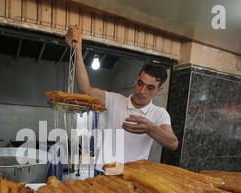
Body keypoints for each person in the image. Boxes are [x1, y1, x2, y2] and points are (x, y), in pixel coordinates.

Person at [65, 26, 179, 174]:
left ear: (159, 90)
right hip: (104, 172)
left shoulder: (159, 114)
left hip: (132, 177)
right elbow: (86, 89)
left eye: (150, 88)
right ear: (135, 80)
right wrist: (77, 50)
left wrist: (151, 128)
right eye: (140, 83)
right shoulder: (114, 100)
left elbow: (173, 143)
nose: (141, 91)